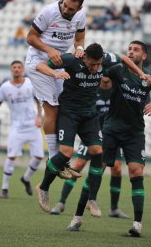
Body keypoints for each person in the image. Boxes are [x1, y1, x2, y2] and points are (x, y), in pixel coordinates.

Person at [68, 41, 151, 237]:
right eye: (129, 49)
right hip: (111, 130)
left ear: (144, 56)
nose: (131, 52)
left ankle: (137, 226)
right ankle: (77, 217)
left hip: (135, 133)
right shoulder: (117, 70)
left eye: (136, 50)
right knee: (96, 172)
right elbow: (98, 66)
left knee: (136, 172)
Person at [34, 43, 150, 216]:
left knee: (98, 152)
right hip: (69, 113)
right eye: (92, 64)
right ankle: (43, 187)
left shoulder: (106, 59)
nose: (96, 68)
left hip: (90, 115)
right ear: (84, 57)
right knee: (66, 153)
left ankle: (92, 199)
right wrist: (55, 73)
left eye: (98, 64)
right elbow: (39, 65)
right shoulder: (72, 60)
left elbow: (124, 59)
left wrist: (141, 73)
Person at [51, 77, 130, 219]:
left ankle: (114, 208)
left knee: (117, 168)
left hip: (111, 135)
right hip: (92, 134)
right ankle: (61, 202)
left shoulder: (118, 91)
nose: (106, 74)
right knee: (79, 165)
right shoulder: (92, 90)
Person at [25, 0, 86, 163]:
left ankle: (62, 154)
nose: (66, 10)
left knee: (65, 107)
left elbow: (80, 38)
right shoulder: (49, 11)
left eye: (70, 9)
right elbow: (30, 37)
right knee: (52, 108)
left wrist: (80, 49)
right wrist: (50, 50)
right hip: (38, 61)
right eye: (64, 5)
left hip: (60, 64)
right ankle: (53, 158)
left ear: (79, 8)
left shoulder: (81, 14)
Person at [0, 61, 44, 198]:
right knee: (11, 157)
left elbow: (39, 101)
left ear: (23, 69)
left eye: (19, 67)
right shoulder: (5, 87)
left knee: (39, 157)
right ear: (11, 70)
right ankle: (4, 189)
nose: (17, 69)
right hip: (17, 127)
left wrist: (39, 117)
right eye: (14, 67)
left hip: (32, 125)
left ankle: (26, 178)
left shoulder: (30, 84)